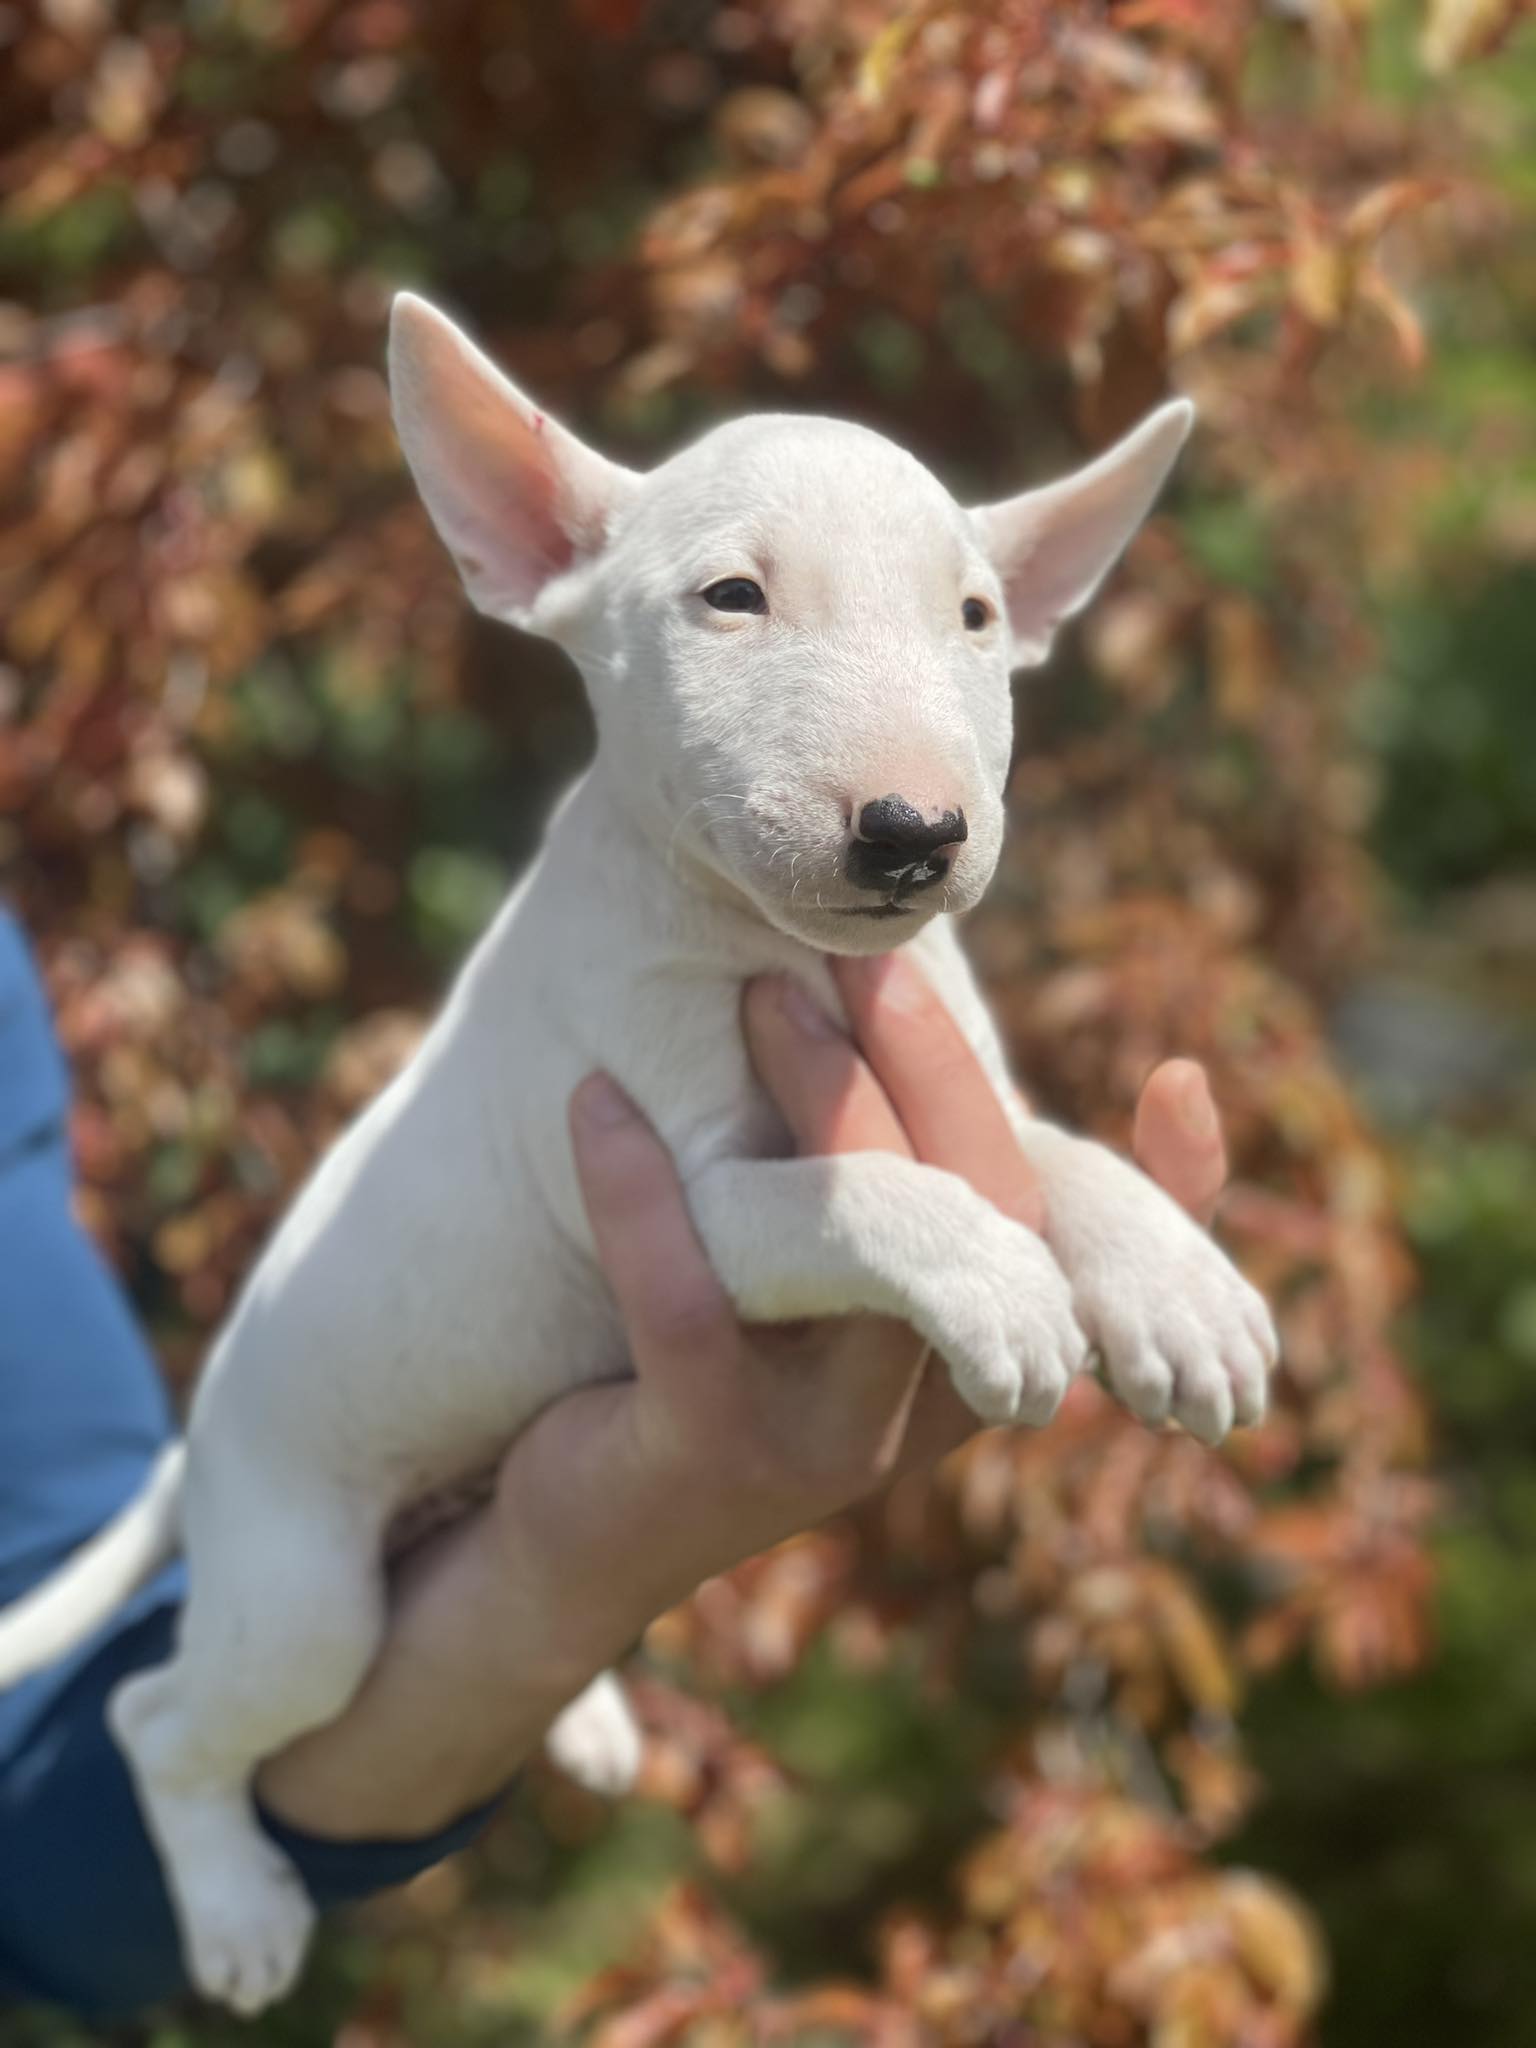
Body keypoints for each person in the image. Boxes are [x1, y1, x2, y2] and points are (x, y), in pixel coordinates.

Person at [0, 909, 1229, 2016]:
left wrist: (546, 1585)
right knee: (292, 1631)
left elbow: (40, 1817)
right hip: (323, 1460)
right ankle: (189, 1765)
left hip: (368, 1467)